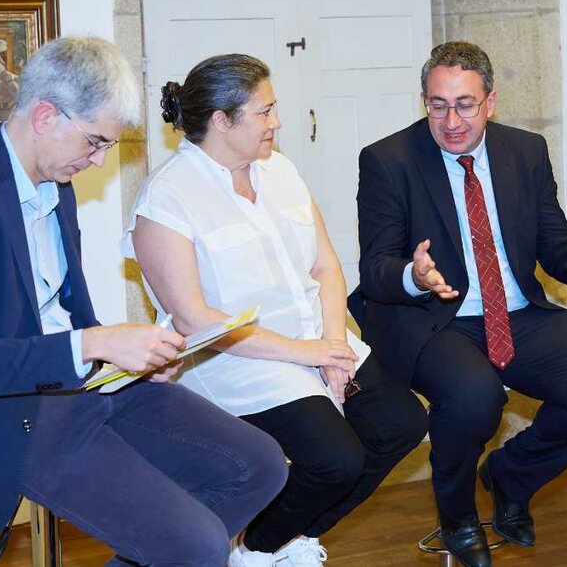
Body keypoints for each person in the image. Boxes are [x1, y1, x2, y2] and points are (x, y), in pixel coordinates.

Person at [0, 37, 288, 567]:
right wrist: (97, 342)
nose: (100, 160)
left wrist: (129, 355)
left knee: (260, 464)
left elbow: (63, 313)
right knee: (195, 544)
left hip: (79, 383)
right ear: (43, 116)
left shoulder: (55, 185)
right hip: (6, 414)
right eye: (95, 142)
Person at [352, 41, 567, 567]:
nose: (451, 120)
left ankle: (510, 475)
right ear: (424, 101)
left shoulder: (524, 151)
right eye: (438, 104)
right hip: (434, 319)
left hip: (517, 311)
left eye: (465, 104)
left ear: (490, 102)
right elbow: (375, 268)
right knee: (476, 397)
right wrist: (413, 275)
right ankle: (458, 516)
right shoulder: (387, 160)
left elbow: (555, 245)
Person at [125, 53, 428, 567]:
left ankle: (280, 539)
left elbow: (327, 267)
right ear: (221, 121)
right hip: (237, 362)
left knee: (401, 424)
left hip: (319, 339)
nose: (277, 123)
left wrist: (332, 346)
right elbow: (198, 321)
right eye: (265, 112)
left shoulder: (280, 169)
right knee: (335, 459)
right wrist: (307, 352)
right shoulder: (166, 199)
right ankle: (257, 551)